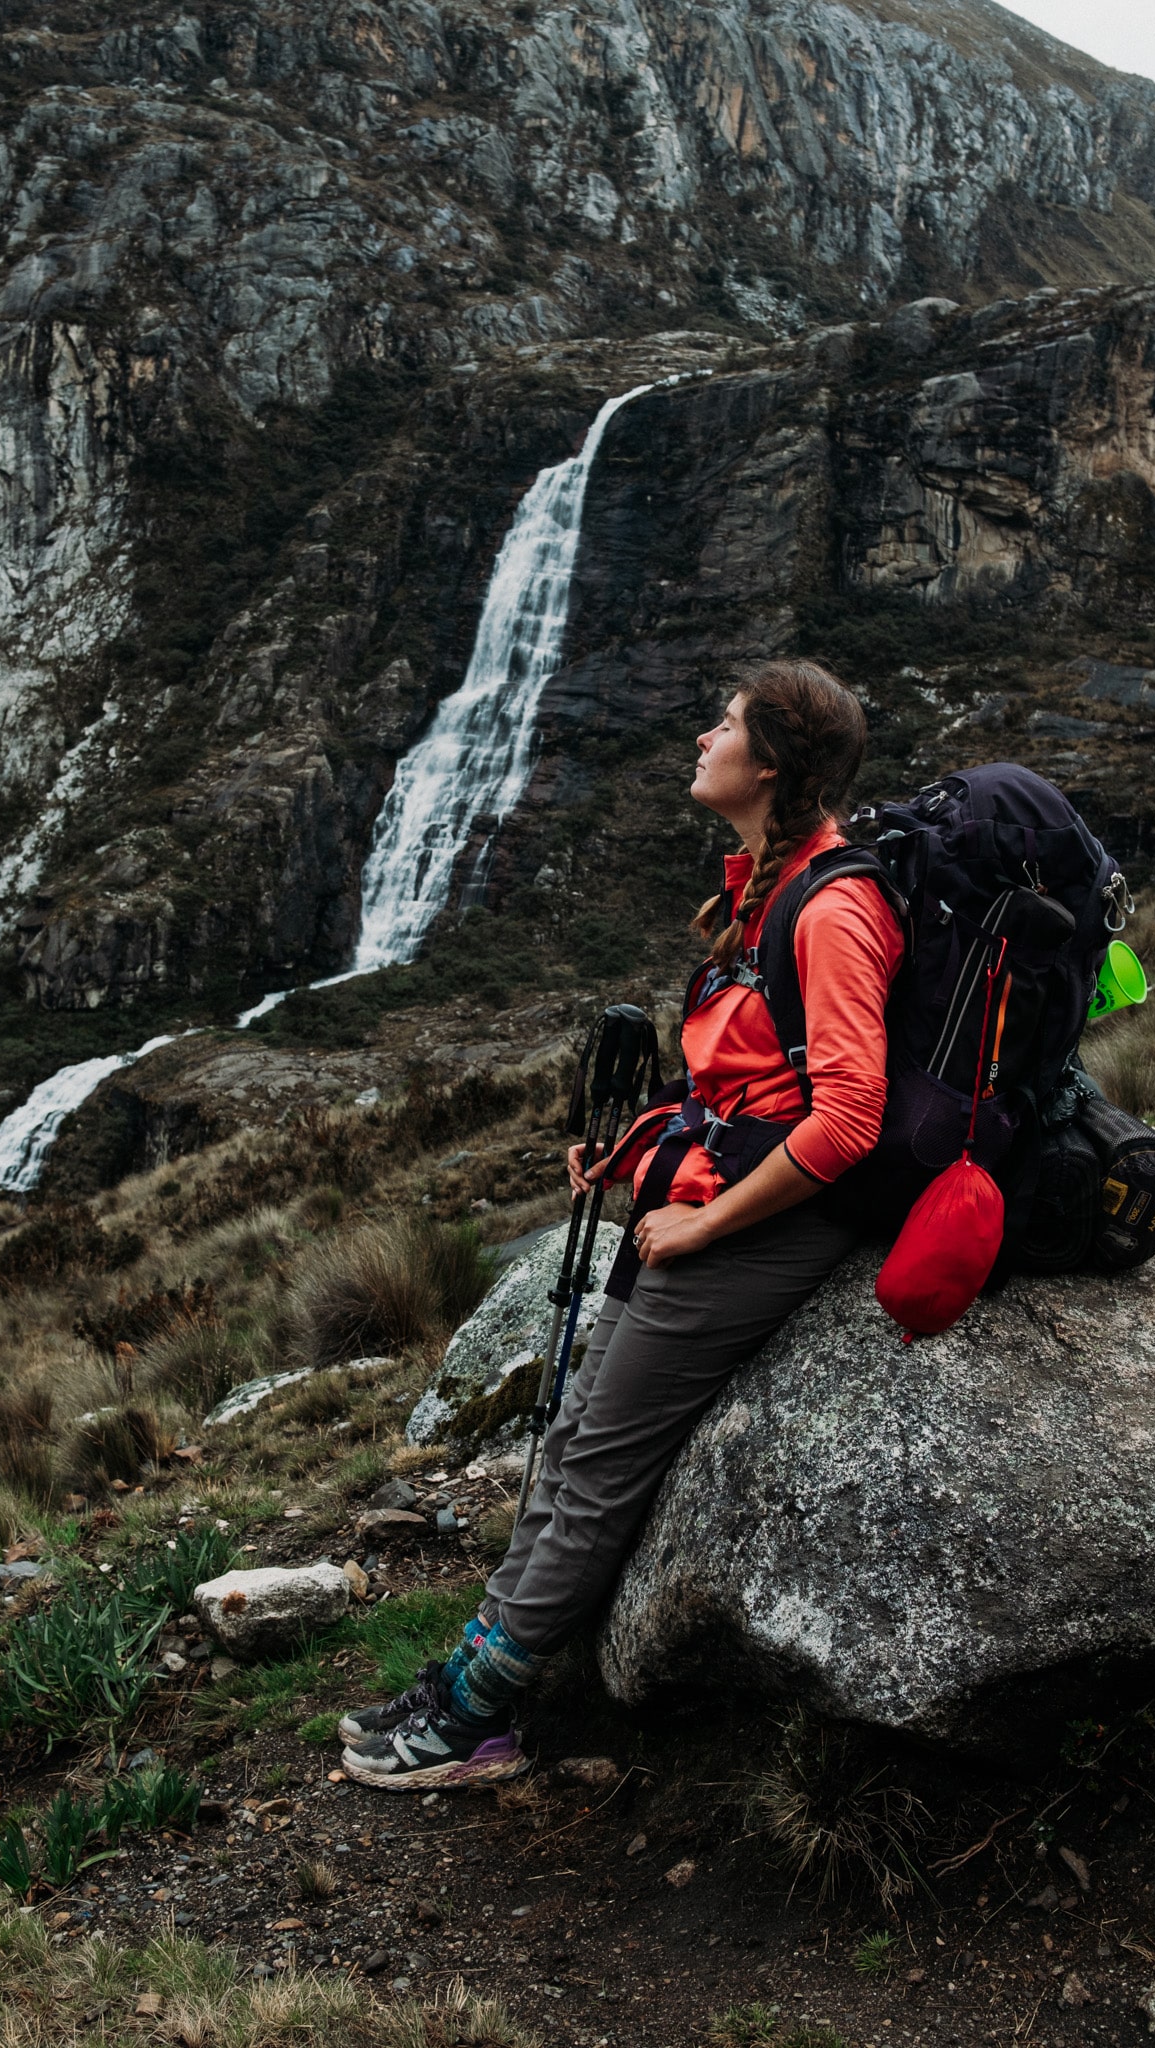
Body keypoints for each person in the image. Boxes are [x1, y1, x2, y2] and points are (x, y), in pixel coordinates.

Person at [337, 658, 905, 1790]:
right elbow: (746, 1085)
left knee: (596, 1464)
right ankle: (471, 1675)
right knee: (567, 1443)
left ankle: (477, 1718)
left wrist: (704, 1225)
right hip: (705, 1198)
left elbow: (849, 1118)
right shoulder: (763, 885)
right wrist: (642, 1148)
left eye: (727, 723)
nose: (703, 735)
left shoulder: (834, 906)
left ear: (774, 764)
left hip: (765, 1226)